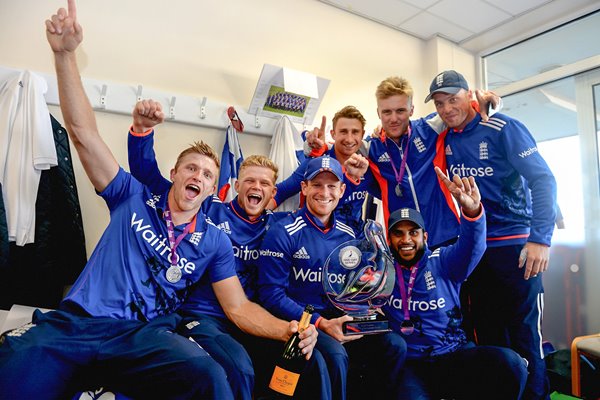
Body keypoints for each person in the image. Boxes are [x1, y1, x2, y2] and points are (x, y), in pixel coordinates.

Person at [0, 2, 317, 399]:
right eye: (191, 169)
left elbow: (239, 309)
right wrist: (64, 55)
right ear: (174, 174)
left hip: (144, 336)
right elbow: (82, 134)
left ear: (214, 188)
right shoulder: (131, 197)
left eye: (207, 175)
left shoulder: (214, 239)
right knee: (14, 369)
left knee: (209, 375)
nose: (198, 177)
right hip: (80, 325)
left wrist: (288, 328)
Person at [126, 103, 329, 399]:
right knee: (239, 367)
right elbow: (152, 181)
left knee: (312, 362)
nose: (256, 187)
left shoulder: (277, 227)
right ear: (235, 185)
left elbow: (305, 188)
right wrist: (141, 133)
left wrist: (315, 155)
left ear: (273, 194)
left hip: (251, 318)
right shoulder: (209, 209)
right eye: (249, 181)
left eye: (264, 184)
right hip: (204, 317)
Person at [427, 69, 557, 400]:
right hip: (473, 250)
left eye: (452, 100)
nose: (446, 109)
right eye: (440, 103)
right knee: (486, 338)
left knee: (524, 337)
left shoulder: (504, 128)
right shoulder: (446, 135)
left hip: (516, 249)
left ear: (468, 95)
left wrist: (540, 238)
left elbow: (544, 181)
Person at [258, 156, 407, 400]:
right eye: (317, 185)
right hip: (301, 321)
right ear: (304, 188)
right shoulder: (283, 232)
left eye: (331, 186)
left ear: (341, 190)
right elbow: (271, 295)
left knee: (394, 345)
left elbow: (352, 287)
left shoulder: (349, 235)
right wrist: (320, 323)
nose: (324, 192)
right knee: (335, 356)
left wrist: (366, 306)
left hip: (338, 318)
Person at [383, 167, 528, 399]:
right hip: (413, 366)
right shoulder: (382, 272)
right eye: (398, 234)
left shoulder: (442, 260)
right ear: (390, 239)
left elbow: (473, 247)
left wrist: (471, 212)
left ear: (425, 237)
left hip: (454, 355)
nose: (406, 240)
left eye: (413, 233)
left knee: (511, 364)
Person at [306, 77, 499, 248]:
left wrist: (483, 102)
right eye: (387, 112)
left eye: (400, 111)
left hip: (445, 234)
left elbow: (458, 111)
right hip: (402, 242)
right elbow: (338, 149)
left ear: (411, 110)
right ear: (378, 113)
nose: (393, 119)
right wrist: (316, 149)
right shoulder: (370, 148)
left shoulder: (430, 128)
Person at [269, 106, 380, 232]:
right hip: (317, 237)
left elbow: (390, 196)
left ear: (362, 135)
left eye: (355, 132)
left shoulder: (366, 167)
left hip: (354, 241)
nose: (349, 139)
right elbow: (281, 191)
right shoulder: (317, 163)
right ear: (333, 134)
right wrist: (255, 219)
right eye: (343, 131)